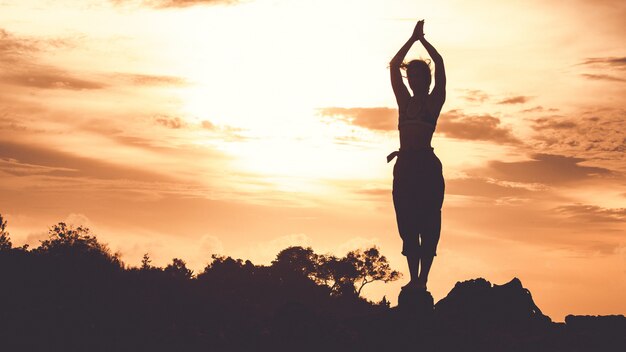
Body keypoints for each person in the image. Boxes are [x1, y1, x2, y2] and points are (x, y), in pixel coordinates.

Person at [388, 19, 446, 291]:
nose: (413, 80)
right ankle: (413, 280)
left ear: (427, 79)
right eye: (410, 76)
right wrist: (410, 40)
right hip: (405, 168)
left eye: (418, 76)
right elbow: (393, 66)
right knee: (408, 225)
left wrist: (423, 42)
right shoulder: (404, 102)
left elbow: (442, 66)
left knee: (429, 224)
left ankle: (423, 280)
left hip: (426, 167)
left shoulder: (433, 102)